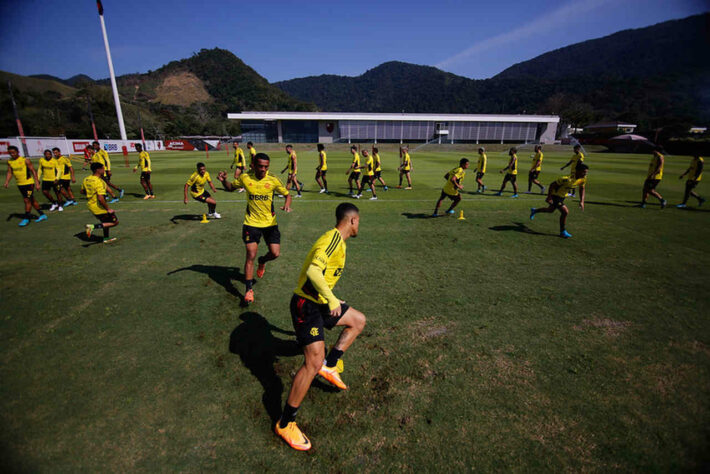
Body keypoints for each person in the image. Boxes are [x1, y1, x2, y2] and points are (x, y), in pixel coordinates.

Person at [275, 202, 366, 451]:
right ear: (353, 221)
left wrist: (334, 298)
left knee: (357, 321)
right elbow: (315, 273)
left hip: (320, 303)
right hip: (306, 306)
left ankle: (331, 364)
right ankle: (286, 423)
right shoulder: (333, 240)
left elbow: (322, 277)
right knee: (312, 363)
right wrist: (332, 299)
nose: (359, 225)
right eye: (359, 221)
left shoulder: (339, 242)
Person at [217, 153, 292, 304]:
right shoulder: (245, 178)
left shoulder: (273, 179)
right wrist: (224, 180)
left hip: (270, 224)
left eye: (266, 166)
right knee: (250, 254)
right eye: (260, 166)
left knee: (275, 253)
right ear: (253, 165)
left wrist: (287, 204)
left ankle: (263, 260)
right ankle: (248, 290)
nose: (263, 169)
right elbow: (231, 187)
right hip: (251, 223)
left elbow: (287, 194)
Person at [529, 163, 588, 239]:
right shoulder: (566, 179)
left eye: (586, 172)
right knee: (565, 211)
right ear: (578, 171)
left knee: (550, 210)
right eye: (584, 172)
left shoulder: (583, 178)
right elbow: (552, 185)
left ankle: (535, 211)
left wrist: (582, 201)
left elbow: (582, 189)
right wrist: (549, 197)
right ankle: (562, 231)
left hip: (562, 197)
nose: (585, 174)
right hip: (555, 196)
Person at [3, 145, 46, 227]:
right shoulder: (10, 162)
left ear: (17, 152)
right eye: (10, 153)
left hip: (29, 184)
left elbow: (33, 171)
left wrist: (37, 183)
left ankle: (26, 218)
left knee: (27, 200)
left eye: (13, 153)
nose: (12, 154)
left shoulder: (25, 160)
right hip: (20, 185)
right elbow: (9, 172)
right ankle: (42, 214)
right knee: (31, 200)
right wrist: (7, 182)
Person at [82, 162, 119, 243]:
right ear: (98, 170)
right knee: (114, 222)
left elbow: (82, 191)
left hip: (91, 205)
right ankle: (92, 227)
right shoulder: (99, 182)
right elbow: (100, 198)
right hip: (99, 207)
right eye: (103, 168)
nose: (104, 170)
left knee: (105, 222)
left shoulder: (86, 179)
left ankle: (106, 238)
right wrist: (108, 209)